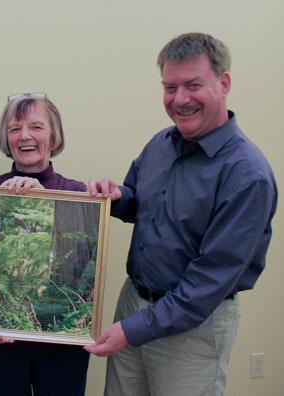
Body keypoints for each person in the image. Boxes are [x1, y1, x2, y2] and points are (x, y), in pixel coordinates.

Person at [86, 32, 277, 396]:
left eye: (193, 85)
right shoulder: (162, 143)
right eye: (170, 87)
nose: (180, 99)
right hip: (134, 304)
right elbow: (139, 202)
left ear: (224, 83)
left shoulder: (247, 175)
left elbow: (209, 281)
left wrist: (133, 329)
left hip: (194, 326)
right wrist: (115, 195)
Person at [0, 92, 90, 396]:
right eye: (15, 128)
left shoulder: (77, 194)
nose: (25, 136)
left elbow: (82, 271)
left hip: (61, 344)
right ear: (6, 138)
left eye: (36, 127)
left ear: (54, 135)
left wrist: (42, 203)